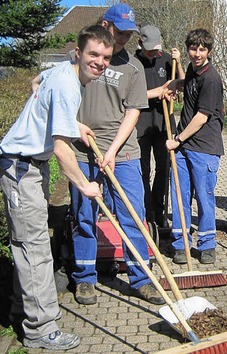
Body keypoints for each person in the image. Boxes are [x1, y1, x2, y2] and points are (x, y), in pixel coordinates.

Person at [0, 25, 113, 350]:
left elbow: (42, 83)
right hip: (22, 167)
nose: (100, 62)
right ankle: (40, 331)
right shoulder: (67, 84)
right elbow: (63, 151)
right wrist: (86, 185)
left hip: (28, 165)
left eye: (105, 57)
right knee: (34, 249)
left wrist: (73, 124)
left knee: (31, 245)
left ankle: (22, 312)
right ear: (79, 53)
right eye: (94, 54)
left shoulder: (63, 70)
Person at [70, 3, 164, 306]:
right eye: (119, 31)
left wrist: (111, 151)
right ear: (105, 25)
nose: (123, 37)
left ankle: (141, 277)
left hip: (123, 155)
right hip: (81, 153)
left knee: (132, 216)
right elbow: (53, 92)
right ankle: (85, 279)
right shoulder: (82, 60)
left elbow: (133, 112)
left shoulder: (133, 67)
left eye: (128, 33)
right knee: (84, 216)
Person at [163, 28, 224, 265]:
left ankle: (207, 244)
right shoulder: (192, 69)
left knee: (204, 197)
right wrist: (175, 83)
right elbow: (187, 82)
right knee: (180, 194)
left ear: (208, 51)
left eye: (202, 49)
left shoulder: (211, 79)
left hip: (204, 148)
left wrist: (177, 140)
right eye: (193, 49)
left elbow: (202, 117)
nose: (197, 53)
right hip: (183, 147)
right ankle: (181, 243)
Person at [134, 25, 185, 228]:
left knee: (165, 169)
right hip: (140, 125)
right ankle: (146, 212)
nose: (154, 53)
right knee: (143, 170)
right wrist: (159, 91)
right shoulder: (133, 63)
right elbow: (131, 96)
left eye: (156, 48)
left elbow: (181, 84)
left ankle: (159, 210)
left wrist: (179, 63)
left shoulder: (166, 59)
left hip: (164, 123)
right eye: (149, 49)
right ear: (140, 43)